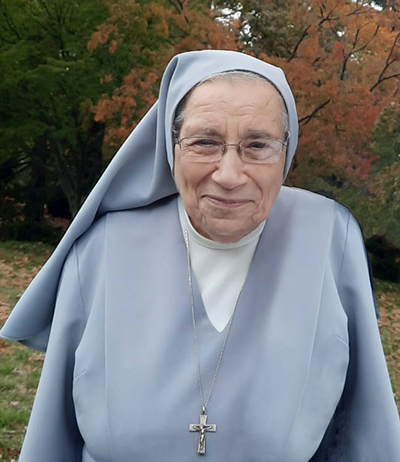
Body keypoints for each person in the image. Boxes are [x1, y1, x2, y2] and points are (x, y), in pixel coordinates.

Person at [1, 50, 400, 462]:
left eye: (257, 145)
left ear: (286, 150)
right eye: (205, 142)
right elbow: (53, 435)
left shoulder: (330, 238)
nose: (229, 175)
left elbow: (362, 431)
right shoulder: (102, 248)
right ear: (172, 147)